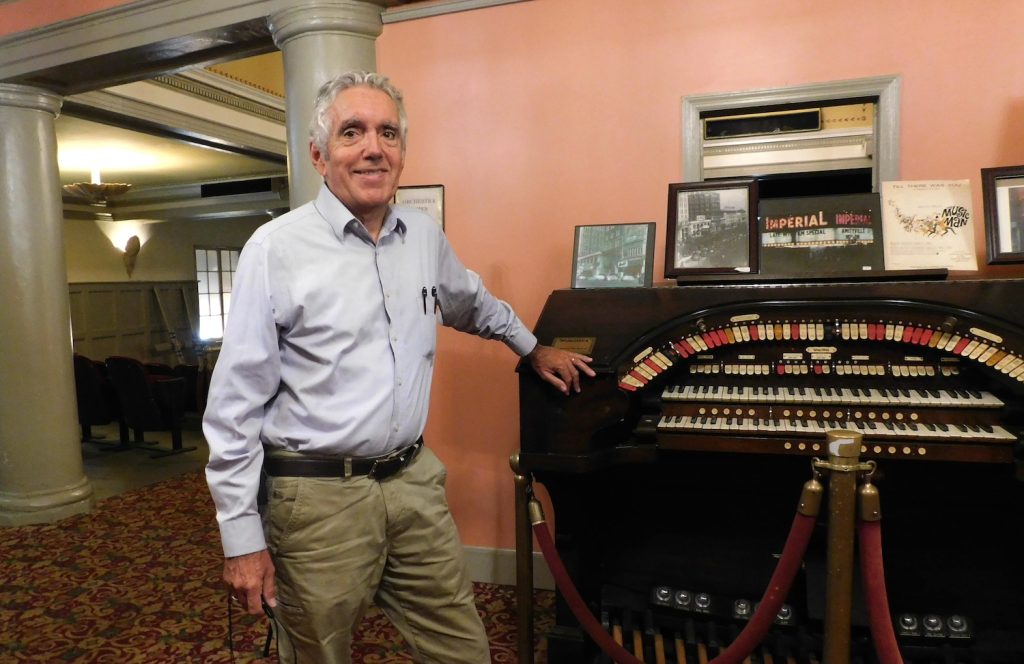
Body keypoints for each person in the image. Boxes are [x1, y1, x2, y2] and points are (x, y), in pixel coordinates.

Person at [203, 70, 595, 664]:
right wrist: (241, 539)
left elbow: (470, 301)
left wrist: (532, 347)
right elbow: (234, 407)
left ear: (403, 153)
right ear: (319, 153)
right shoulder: (274, 250)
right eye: (352, 132)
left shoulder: (422, 236)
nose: (373, 148)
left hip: (413, 485)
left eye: (388, 133)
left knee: (462, 650)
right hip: (316, 502)